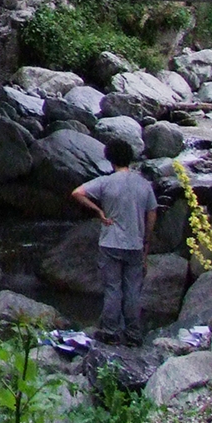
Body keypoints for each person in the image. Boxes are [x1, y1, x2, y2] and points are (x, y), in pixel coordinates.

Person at [71, 140, 157, 346]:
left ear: (110, 159)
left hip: (110, 243)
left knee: (113, 288)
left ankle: (110, 332)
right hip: (135, 244)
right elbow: (152, 214)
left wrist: (98, 211)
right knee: (132, 290)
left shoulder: (105, 182)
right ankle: (133, 334)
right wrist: (146, 242)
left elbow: (77, 193)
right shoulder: (144, 184)